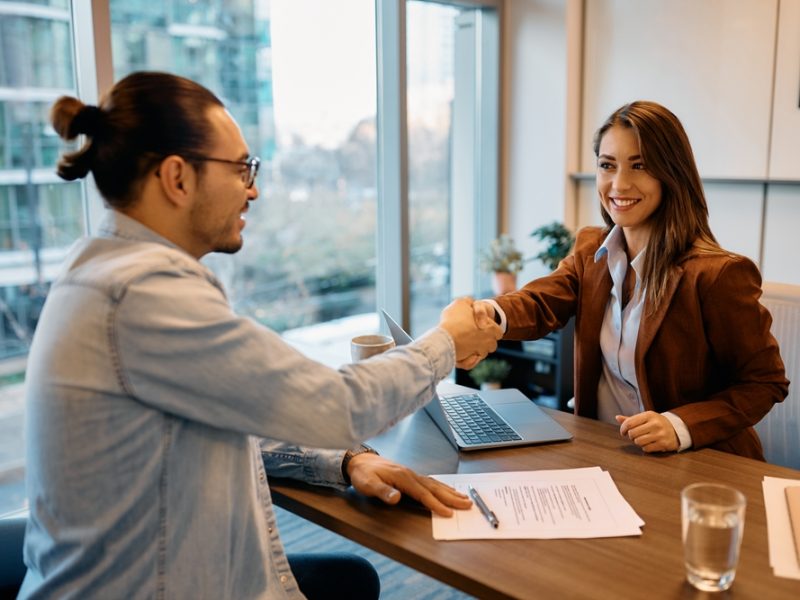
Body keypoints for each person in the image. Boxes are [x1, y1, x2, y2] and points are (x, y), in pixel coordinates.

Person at [19, 71, 501, 599]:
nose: (254, 187)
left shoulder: (104, 270)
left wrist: (346, 459)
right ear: (177, 178)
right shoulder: (144, 293)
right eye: (241, 167)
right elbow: (339, 405)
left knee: (351, 579)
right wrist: (446, 343)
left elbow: (237, 408)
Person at [476, 100, 788, 460]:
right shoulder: (591, 250)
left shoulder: (717, 274)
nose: (618, 184)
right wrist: (483, 314)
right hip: (611, 455)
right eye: (607, 165)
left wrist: (679, 425)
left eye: (639, 166)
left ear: (671, 173)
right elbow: (540, 302)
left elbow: (765, 381)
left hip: (700, 464)